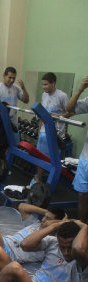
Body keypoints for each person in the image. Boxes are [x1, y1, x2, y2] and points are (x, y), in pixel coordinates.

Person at [33, 72, 70, 183]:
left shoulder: (62, 96)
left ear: (53, 83)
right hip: (44, 132)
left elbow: (70, 112)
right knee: (40, 157)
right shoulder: (44, 95)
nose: (44, 87)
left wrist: (57, 116)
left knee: (53, 160)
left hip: (56, 133)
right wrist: (39, 129)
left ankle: (50, 182)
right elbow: (42, 113)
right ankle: (38, 180)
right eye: (43, 85)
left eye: (46, 85)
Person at [65, 75, 88, 223]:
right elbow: (69, 108)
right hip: (86, 157)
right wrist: (80, 89)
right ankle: (82, 226)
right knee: (82, 196)